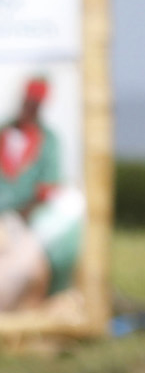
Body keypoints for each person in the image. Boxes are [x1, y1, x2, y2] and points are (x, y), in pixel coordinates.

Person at [0, 75, 78, 311]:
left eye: (36, 102)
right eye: (28, 101)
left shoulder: (49, 141)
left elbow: (49, 186)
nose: (30, 107)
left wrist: (23, 215)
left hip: (26, 218)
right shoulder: (4, 133)